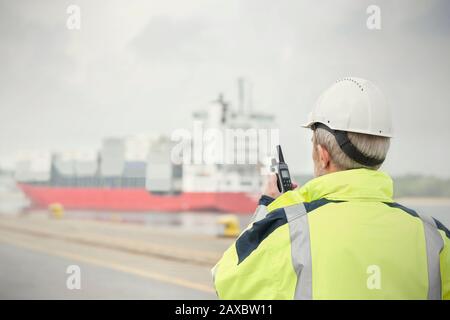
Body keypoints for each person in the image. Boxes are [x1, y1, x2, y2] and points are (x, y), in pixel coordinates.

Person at [211, 77, 450, 300]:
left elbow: (226, 282)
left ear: (323, 155)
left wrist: (269, 209)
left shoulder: (290, 232)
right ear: (380, 155)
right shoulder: (435, 238)